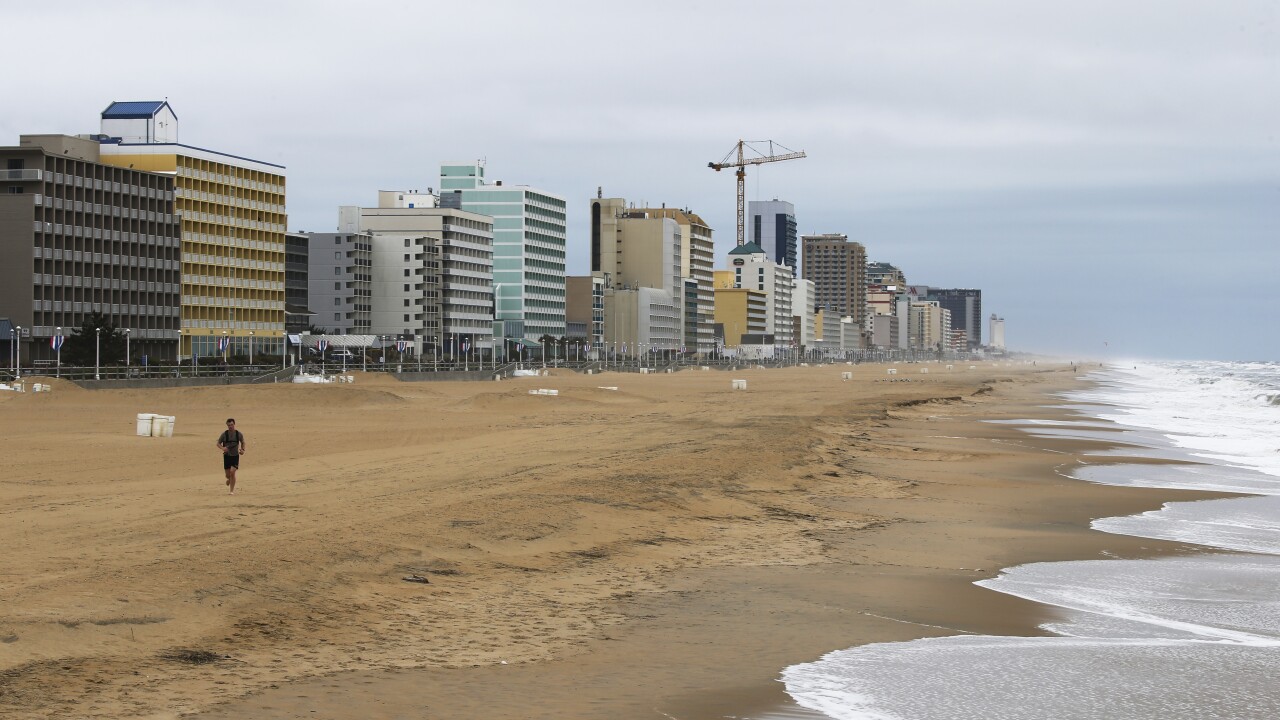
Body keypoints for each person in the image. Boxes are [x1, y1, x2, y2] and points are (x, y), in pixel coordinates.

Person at [216, 418, 246, 494]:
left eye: (232, 425)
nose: (230, 426)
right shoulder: (224, 434)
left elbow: (243, 442)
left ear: (234, 424)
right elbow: (218, 443)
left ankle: (231, 491)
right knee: (227, 475)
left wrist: (242, 450)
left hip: (235, 456)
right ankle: (229, 479)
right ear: (227, 425)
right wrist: (223, 448)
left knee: (232, 472)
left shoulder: (238, 434)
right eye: (229, 425)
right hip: (227, 456)